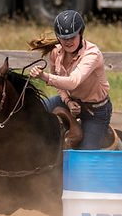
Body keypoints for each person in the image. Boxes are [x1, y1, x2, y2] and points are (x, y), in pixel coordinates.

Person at [29, 10, 112, 150]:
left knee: (84, 158)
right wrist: (68, 101)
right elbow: (60, 83)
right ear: (58, 37)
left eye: (72, 36)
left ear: (81, 33)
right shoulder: (56, 52)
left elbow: (73, 81)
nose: (68, 41)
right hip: (70, 101)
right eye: (63, 37)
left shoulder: (92, 54)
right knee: (31, 111)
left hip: (96, 111)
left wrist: (44, 76)